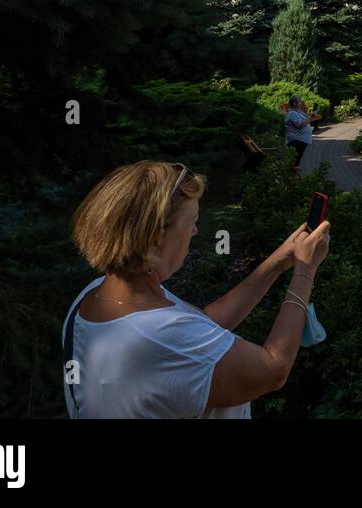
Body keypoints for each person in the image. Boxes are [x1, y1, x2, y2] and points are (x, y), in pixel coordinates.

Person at [63, 161, 330, 417]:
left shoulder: (97, 293)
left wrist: (279, 261)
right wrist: (305, 271)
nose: (196, 231)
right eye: (191, 221)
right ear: (156, 239)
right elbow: (273, 370)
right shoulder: (161, 336)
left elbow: (203, 324)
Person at [284, 95, 312, 166]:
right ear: (294, 103)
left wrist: (310, 116)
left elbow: (304, 121)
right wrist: (310, 117)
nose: (301, 103)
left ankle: (292, 174)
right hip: (296, 141)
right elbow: (300, 125)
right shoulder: (292, 113)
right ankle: (291, 175)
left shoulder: (297, 112)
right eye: (299, 102)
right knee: (294, 162)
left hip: (300, 141)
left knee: (296, 161)